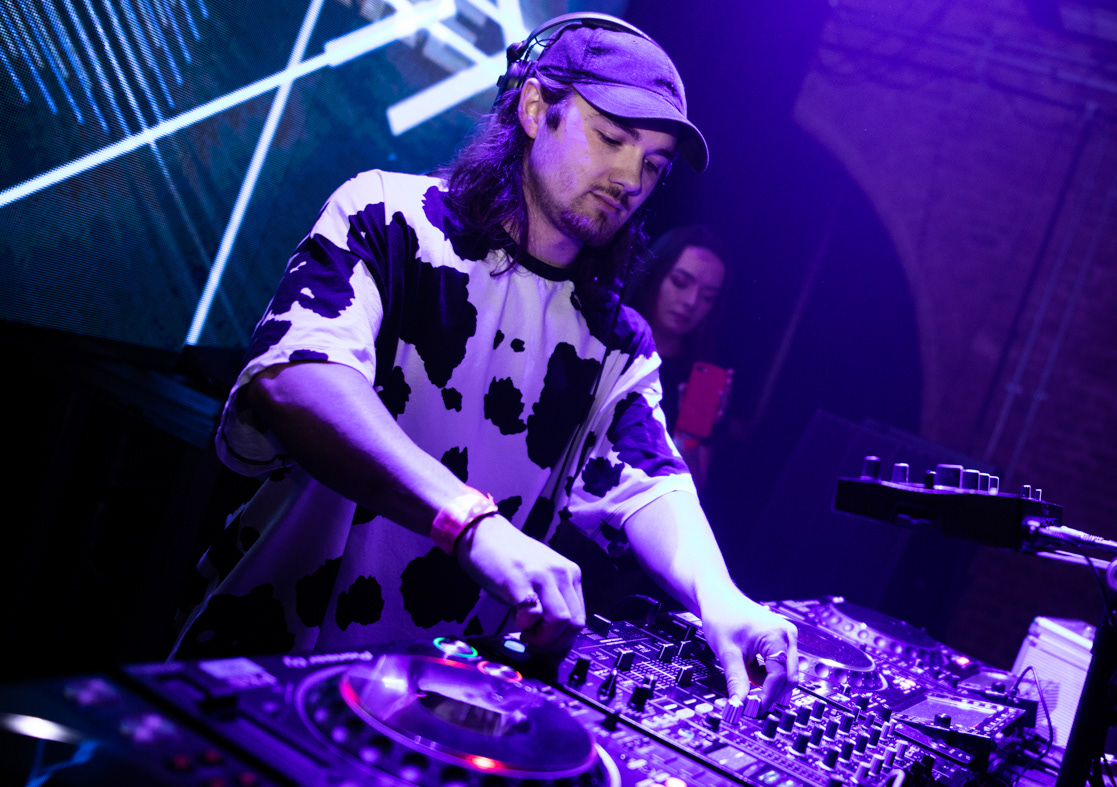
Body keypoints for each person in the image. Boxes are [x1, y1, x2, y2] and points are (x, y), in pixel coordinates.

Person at [173, 20, 797, 708]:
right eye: (612, 138)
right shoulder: (389, 217)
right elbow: (296, 379)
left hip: (435, 710)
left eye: (654, 164)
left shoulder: (617, 340)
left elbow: (654, 484)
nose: (629, 179)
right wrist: (470, 524)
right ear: (534, 109)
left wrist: (720, 597)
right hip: (264, 671)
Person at [624, 225, 730, 486]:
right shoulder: (609, 336)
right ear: (655, 274)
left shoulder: (700, 380)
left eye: (708, 297)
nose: (691, 301)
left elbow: (693, 489)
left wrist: (689, 434)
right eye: (680, 282)